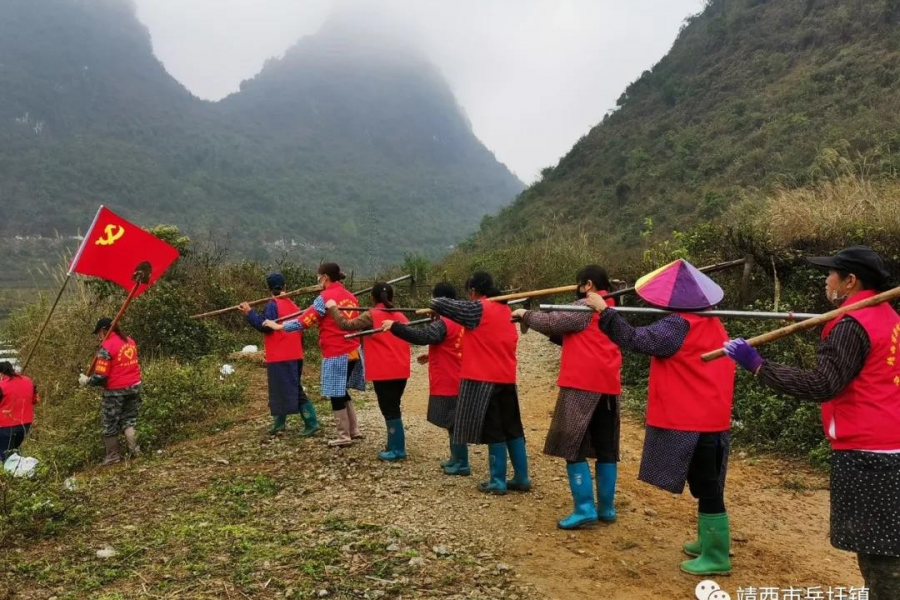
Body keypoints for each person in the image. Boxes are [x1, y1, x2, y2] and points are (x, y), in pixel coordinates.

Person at [723, 246, 900, 598]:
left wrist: (759, 365)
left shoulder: (852, 325)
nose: (825, 279)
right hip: (891, 444)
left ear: (850, 281)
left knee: (882, 560)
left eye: (831, 273)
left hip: (870, 455)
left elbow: (823, 384)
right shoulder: (888, 317)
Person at [585, 258, 736, 576]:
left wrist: (604, 310)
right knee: (705, 483)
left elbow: (636, 340)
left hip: (694, 419)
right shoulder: (711, 321)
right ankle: (709, 541)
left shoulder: (678, 325)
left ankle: (717, 554)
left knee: (707, 486)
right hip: (710, 415)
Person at [512, 265, 622, 528]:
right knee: (606, 449)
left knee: (572, 444)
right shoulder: (612, 310)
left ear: (587, 285)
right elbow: (569, 335)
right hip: (608, 387)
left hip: (581, 385)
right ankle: (606, 508)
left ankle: (584, 508)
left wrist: (524, 313)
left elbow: (553, 321)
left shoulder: (587, 306)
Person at [430, 271, 529, 494]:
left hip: (484, 379)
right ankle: (522, 477)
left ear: (473, 292)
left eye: (470, 293)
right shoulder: (506, 310)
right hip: (506, 377)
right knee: (512, 429)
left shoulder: (478, 309)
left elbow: (438, 302)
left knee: (494, 431)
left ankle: (497, 481)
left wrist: (438, 305)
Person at [264, 263, 365, 447]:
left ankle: (344, 436)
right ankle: (354, 430)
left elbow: (306, 320)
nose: (318, 280)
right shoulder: (350, 296)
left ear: (325, 277)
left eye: (319, 277)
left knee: (336, 392)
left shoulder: (324, 297)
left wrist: (280, 326)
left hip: (337, 351)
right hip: (354, 349)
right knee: (342, 390)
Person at [381, 282, 467, 474]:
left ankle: (462, 463)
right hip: (458, 375)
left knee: (453, 421)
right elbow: (453, 345)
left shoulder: (445, 322)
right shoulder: (461, 319)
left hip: (449, 379)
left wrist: (395, 327)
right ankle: (456, 458)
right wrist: (432, 355)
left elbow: (422, 336)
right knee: (453, 422)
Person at [326, 282, 412, 461]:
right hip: (401, 369)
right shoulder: (401, 316)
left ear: (372, 298)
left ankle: (398, 449)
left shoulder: (371, 315)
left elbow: (345, 325)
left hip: (384, 370)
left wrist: (333, 308)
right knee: (393, 406)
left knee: (389, 409)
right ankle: (394, 443)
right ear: (392, 297)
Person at [239, 272, 319, 437]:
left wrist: (249, 313)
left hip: (280, 355)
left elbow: (265, 326)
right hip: (295, 354)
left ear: (268, 288)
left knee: (289, 389)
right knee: (282, 389)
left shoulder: (273, 305)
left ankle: (311, 423)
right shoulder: (294, 305)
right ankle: (279, 424)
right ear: (285, 287)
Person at [79, 318, 144, 465]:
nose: (98, 336)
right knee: (129, 420)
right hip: (134, 387)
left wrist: (86, 381)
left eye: (98, 333)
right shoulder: (130, 341)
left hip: (115, 391)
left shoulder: (106, 347)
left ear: (103, 330)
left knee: (110, 423)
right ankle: (135, 451)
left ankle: (113, 456)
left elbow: (101, 377)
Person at [0, 361, 38, 460]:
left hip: (5, 426)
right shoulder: (28, 380)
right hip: (25, 424)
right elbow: (35, 400)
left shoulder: (2, 385)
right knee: (14, 451)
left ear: (1, 374)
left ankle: (8, 472)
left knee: (5, 453)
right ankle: (17, 471)